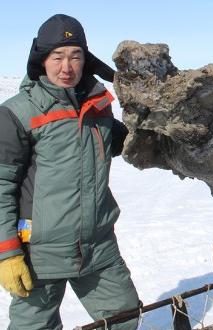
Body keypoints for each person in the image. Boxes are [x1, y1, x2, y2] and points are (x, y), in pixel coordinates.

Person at [0, 14, 139, 329]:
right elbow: (1, 186)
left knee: (125, 319)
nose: (67, 66)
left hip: (98, 247)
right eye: (57, 56)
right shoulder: (16, 113)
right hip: (39, 253)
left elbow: (135, 143)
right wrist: (7, 253)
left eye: (75, 56)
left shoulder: (99, 108)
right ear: (41, 60)